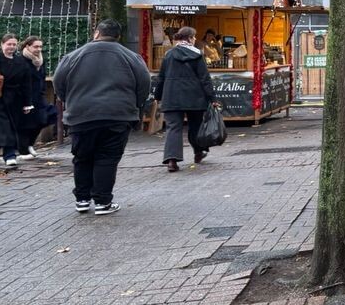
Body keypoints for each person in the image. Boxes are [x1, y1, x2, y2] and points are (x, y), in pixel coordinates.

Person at [53, 19, 150, 215]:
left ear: (96, 33)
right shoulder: (131, 57)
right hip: (117, 114)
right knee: (107, 157)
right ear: (118, 36)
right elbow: (144, 83)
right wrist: (135, 105)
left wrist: (70, 100)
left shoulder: (73, 56)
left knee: (82, 157)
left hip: (81, 115)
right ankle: (102, 201)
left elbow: (58, 82)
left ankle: (82, 199)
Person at [155, 26, 217, 172]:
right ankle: (198, 152)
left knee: (173, 128)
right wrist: (212, 97)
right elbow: (204, 78)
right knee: (195, 126)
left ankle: (172, 160)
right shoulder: (197, 55)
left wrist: (158, 95)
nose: (195, 39)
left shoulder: (169, 55)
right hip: (194, 96)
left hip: (171, 96)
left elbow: (161, 77)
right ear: (189, 38)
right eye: (194, 37)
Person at [0, 34, 35, 167]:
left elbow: (27, 84)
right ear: (2, 45)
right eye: (9, 44)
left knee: (12, 127)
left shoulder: (21, 62)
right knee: (5, 127)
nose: (11, 47)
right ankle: (9, 155)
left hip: (16, 100)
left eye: (14, 44)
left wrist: (28, 103)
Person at [16, 36, 52, 160]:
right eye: (36, 46)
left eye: (40, 46)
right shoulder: (21, 61)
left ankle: (30, 143)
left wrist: (42, 91)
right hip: (26, 97)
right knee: (26, 123)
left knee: (45, 118)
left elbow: (42, 77)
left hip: (39, 96)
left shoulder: (40, 60)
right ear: (27, 46)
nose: (39, 49)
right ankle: (23, 150)